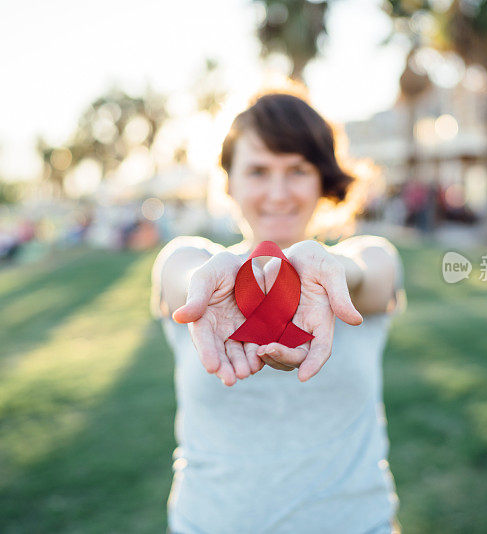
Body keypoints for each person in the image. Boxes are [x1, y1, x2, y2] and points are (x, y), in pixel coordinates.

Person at [151, 91, 405, 534]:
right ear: (228, 181)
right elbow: (182, 275)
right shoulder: (194, 262)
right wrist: (209, 285)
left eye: (297, 171)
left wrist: (330, 275)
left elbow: (370, 275)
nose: (278, 193)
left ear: (323, 179)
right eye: (258, 171)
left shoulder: (367, 259)